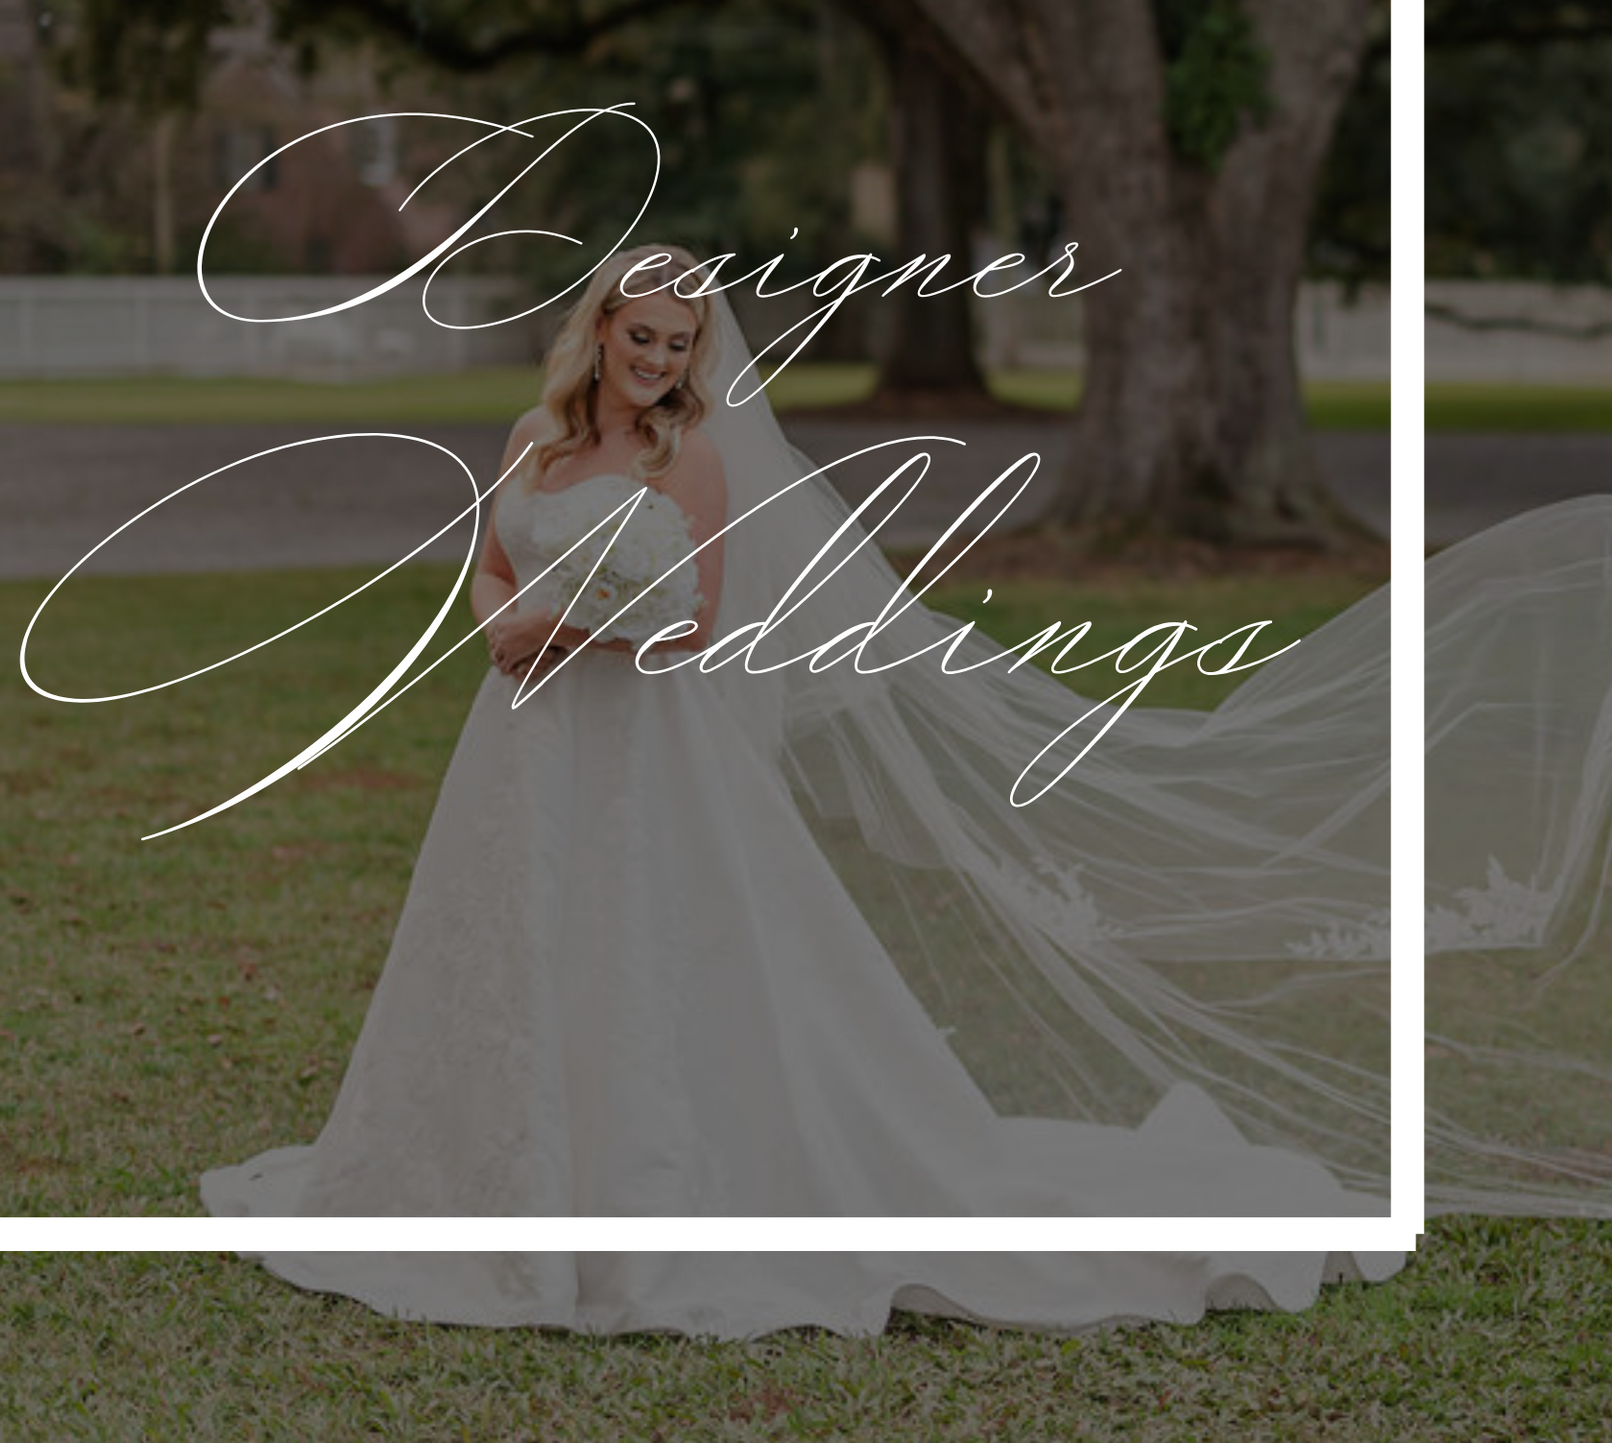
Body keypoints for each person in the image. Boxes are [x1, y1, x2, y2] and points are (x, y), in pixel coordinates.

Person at [201, 245, 1607, 1338]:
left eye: (682, 345)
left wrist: (568, 627)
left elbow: (691, 622)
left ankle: (645, 1194)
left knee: (647, 951)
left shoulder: (690, 455)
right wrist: (513, 620)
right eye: (642, 338)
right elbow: (494, 568)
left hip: (641, 739)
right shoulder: (530, 437)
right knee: (511, 949)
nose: (658, 362)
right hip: (519, 741)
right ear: (597, 333)